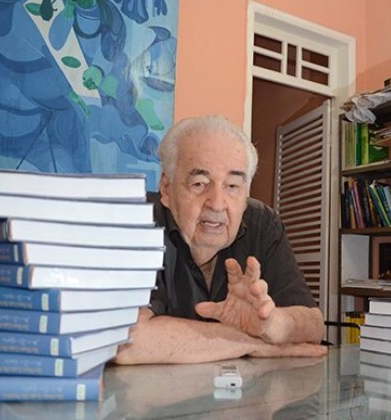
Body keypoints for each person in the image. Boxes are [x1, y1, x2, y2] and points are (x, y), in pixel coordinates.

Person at [115, 115, 327, 365]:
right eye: (199, 183)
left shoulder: (263, 224)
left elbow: (314, 325)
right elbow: (125, 341)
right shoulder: (132, 222)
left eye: (232, 186)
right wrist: (251, 342)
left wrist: (270, 323)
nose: (217, 204)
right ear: (167, 188)